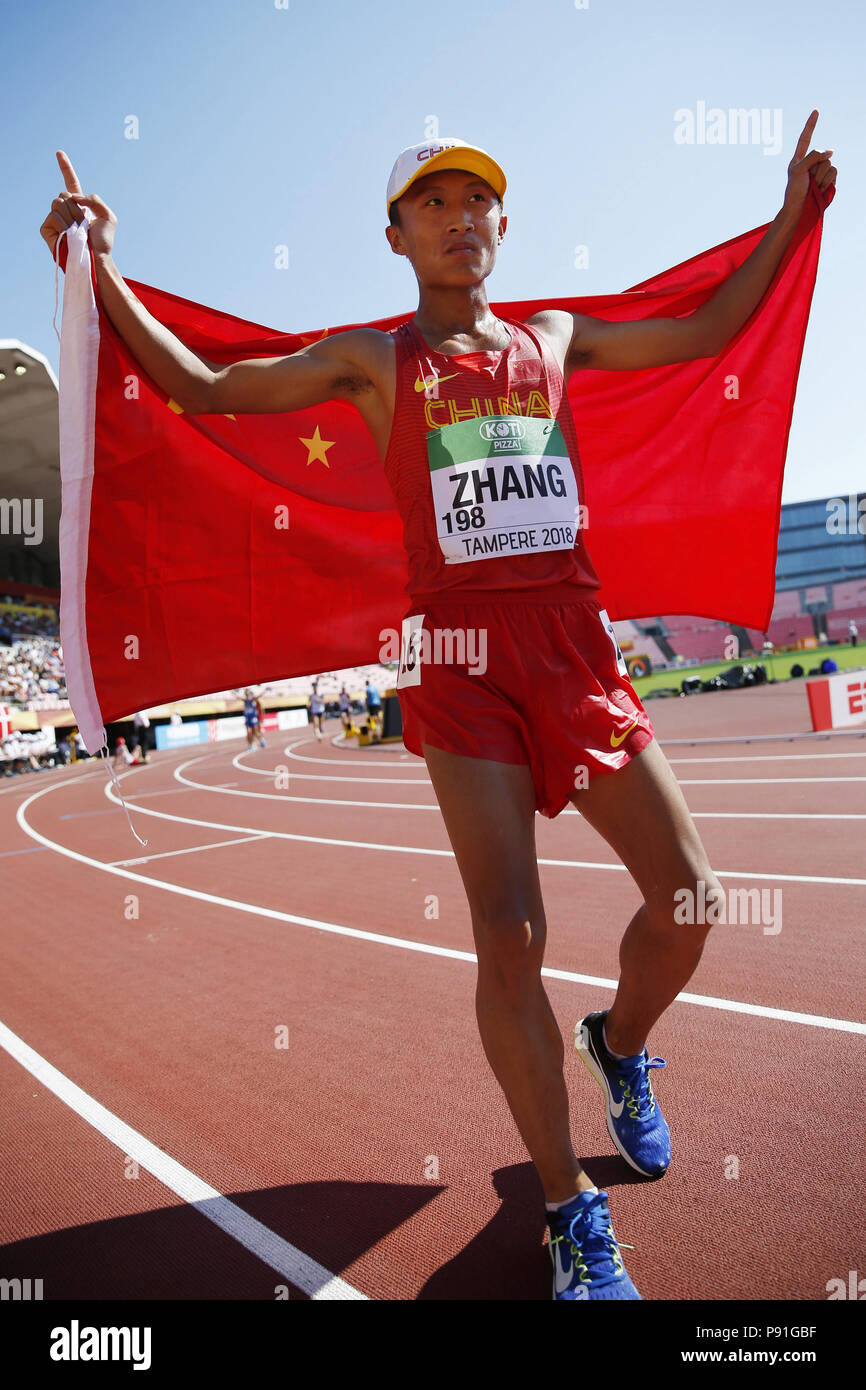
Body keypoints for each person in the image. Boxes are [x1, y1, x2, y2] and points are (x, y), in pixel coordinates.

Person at [41, 122, 836, 1301]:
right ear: (396, 233)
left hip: (572, 648)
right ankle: (568, 1210)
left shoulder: (555, 337)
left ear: (501, 225)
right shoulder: (372, 360)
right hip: (460, 660)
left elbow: (707, 331)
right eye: (435, 203)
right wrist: (97, 265)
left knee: (689, 899)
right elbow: (203, 386)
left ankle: (615, 1042)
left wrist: (790, 216)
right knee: (509, 934)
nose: (462, 217)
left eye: (480, 201)